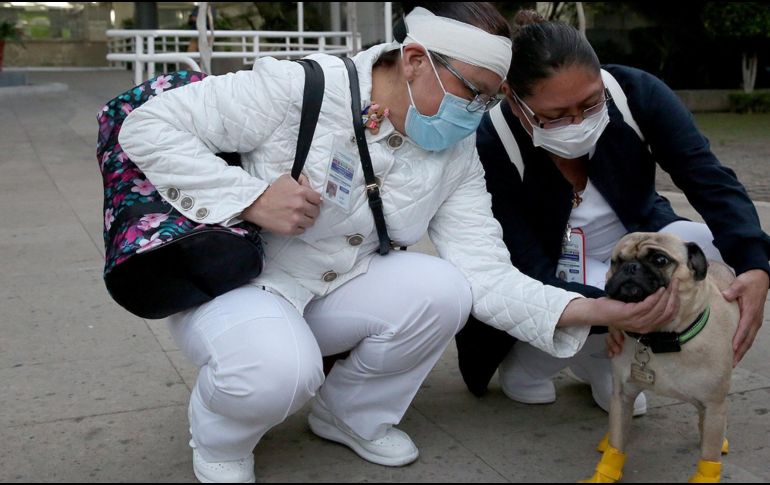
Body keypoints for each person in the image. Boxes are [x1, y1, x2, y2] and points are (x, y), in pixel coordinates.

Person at [118, 3, 681, 483]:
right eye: (473, 93)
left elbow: (485, 273)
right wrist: (250, 198)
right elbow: (148, 126)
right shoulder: (300, 88)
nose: (477, 114)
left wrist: (594, 309)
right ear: (414, 60)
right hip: (240, 281)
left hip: (340, 286)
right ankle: (219, 440)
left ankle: (350, 415)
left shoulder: (455, 154)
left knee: (445, 288)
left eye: (490, 101)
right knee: (276, 374)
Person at [456, 10, 770, 416]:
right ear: (514, 101)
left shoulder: (635, 93)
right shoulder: (492, 142)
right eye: (555, 116)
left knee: (717, 253)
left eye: (591, 103)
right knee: (586, 306)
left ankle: (610, 356)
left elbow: (709, 180)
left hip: (635, 241)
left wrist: (755, 266)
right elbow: (526, 264)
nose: (579, 122)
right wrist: (610, 311)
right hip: (554, 265)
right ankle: (537, 365)